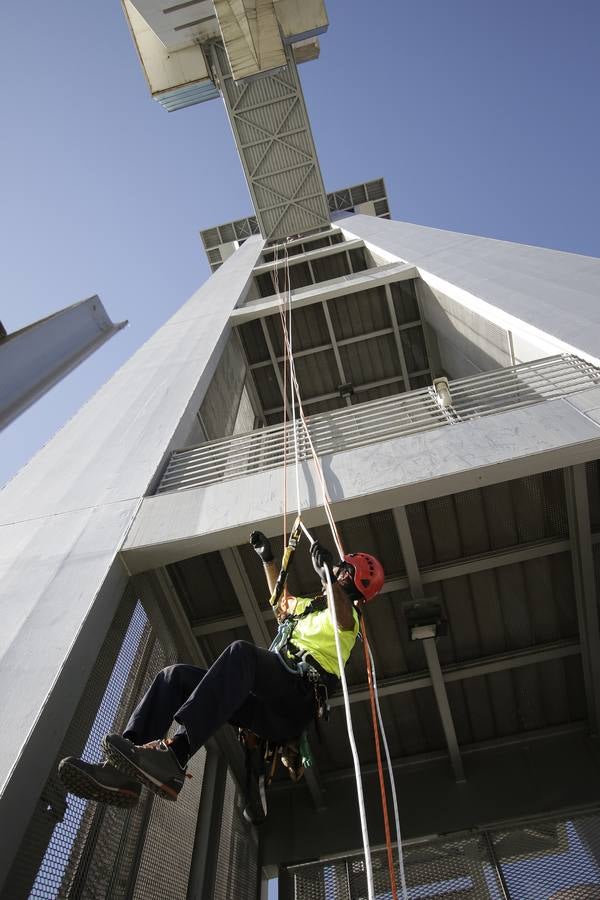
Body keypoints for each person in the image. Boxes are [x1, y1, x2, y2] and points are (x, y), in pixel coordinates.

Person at [58, 531, 384, 823]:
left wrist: (327, 575)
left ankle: (174, 755)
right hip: (268, 699)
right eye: (339, 569)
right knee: (175, 677)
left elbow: (342, 620)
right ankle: (122, 773)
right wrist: (269, 561)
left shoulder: (350, 619)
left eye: (345, 571)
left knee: (241, 653)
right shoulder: (315, 605)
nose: (339, 572)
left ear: (353, 582)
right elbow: (282, 604)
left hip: (294, 699)